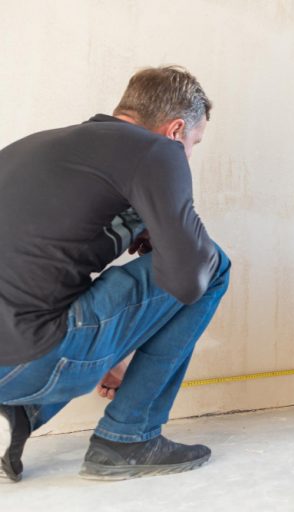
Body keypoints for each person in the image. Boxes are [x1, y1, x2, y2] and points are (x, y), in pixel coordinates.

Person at [0, 66, 230, 482]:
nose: (188, 154)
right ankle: (128, 438)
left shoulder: (32, 147)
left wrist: (144, 226)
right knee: (214, 264)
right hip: (29, 357)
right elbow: (188, 278)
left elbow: (36, 265)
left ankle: (26, 409)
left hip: (12, 357)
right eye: (194, 143)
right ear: (176, 129)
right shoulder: (157, 151)